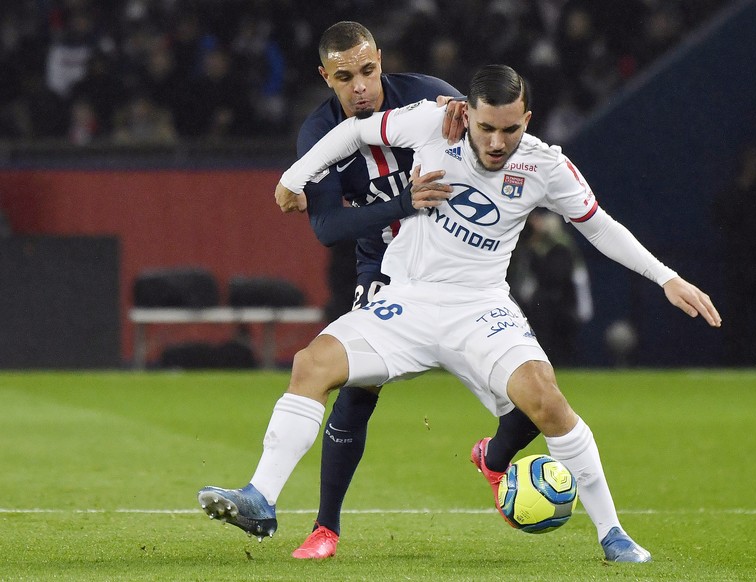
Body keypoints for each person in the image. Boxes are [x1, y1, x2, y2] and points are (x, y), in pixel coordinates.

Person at [199, 64, 721, 563]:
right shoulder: (433, 121)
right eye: (487, 127)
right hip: (406, 299)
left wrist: (666, 278)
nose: (497, 143)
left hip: (480, 306)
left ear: (527, 121)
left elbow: (600, 226)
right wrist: (294, 177)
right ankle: (261, 499)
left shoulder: (544, 164)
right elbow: (356, 133)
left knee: (546, 397)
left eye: (510, 130)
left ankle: (614, 535)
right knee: (311, 365)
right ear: (466, 113)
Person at [235, 22, 541, 560]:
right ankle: (324, 529)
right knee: (354, 388)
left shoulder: (432, 97)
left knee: (534, 403)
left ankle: (493, 455)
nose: (359, 87)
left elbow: (498, 145)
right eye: (344, 76)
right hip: (382, 268)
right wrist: (405, 203)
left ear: (381, 59)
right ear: (325, 77)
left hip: (458, 270)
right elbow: (328, 228)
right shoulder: (319, 131)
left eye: (368, 71)